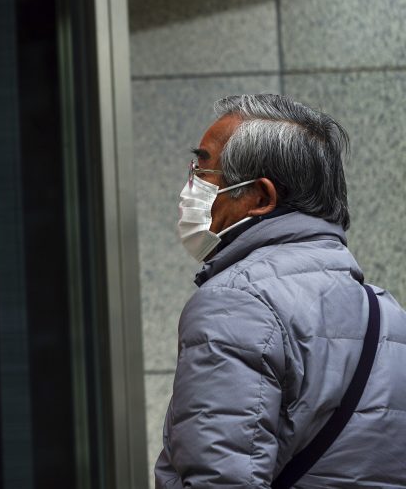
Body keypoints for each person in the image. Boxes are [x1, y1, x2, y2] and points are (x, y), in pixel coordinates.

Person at [155, 94, 406, 488]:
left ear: (260, 197)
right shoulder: (387, 314)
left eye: (203, 171)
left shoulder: (235, 303)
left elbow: (219, 479)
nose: (190, 188)